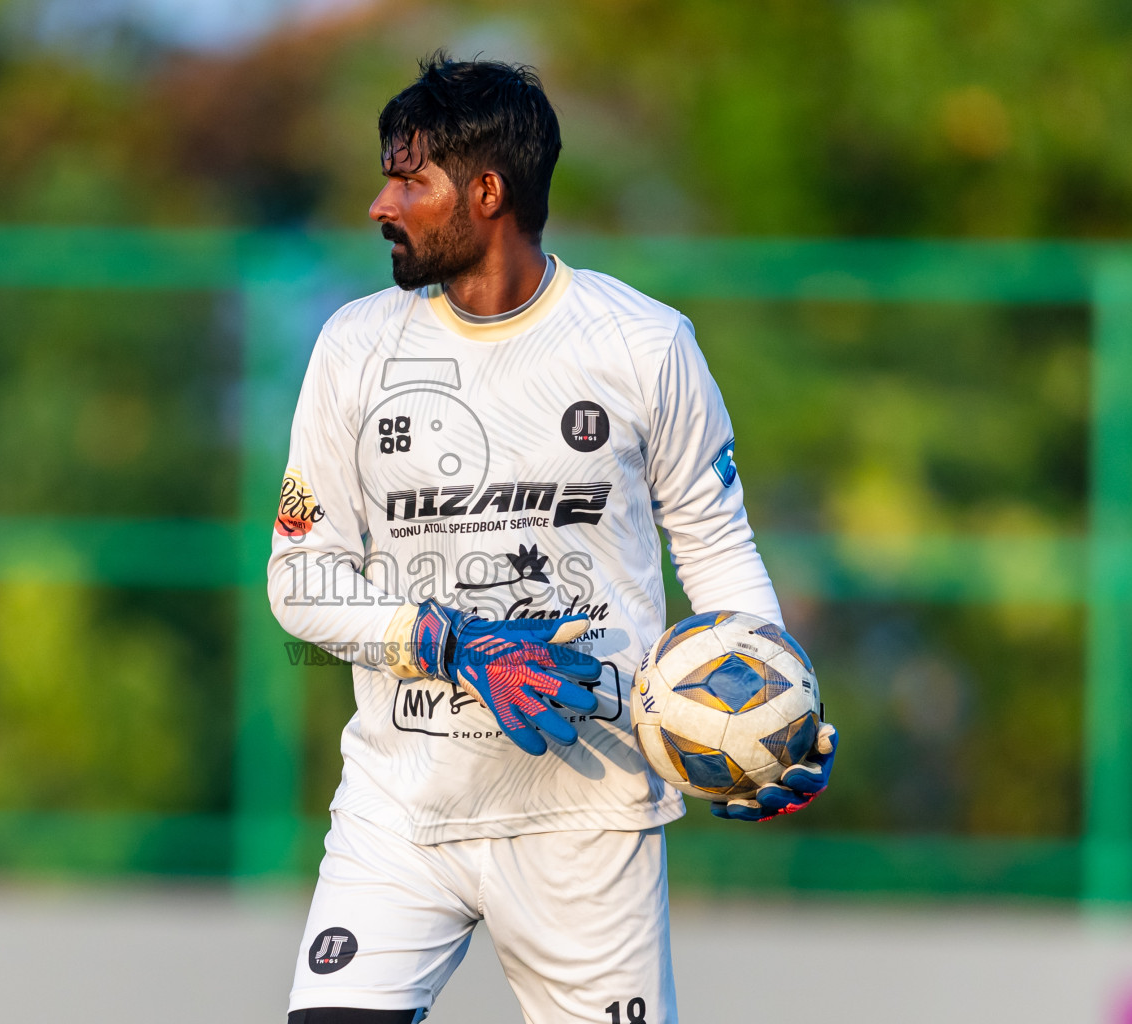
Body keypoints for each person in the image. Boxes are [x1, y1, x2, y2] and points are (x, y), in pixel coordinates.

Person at [267, 53, 836, 1024]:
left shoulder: (644, 344)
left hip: (590, 818)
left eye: (410, 180)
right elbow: (299, 580)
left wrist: (771, 704)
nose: (379, 204)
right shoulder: (354, 348)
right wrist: (446, 639)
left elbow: (716, 544)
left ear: (487, 192)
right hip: (402, 812)